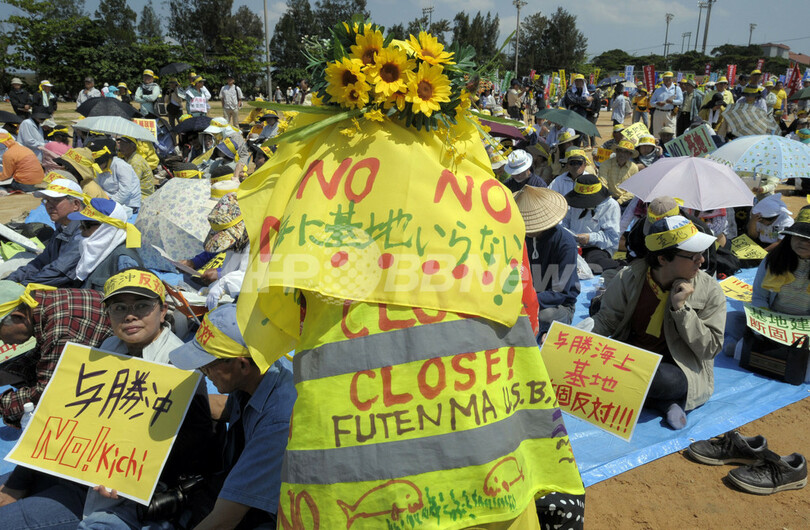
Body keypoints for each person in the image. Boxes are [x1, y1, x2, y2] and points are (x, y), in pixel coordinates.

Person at [76, 269, 224, 529]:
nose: (130, 315)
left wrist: (128, 477)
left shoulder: (179, 364)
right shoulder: (107, 348)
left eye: (142, 306)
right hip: (93, 480)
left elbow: (195, 444)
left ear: (163, 310)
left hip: (148, 495)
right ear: (108, 314)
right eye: (119, 307)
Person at [589, 215, 725, 429]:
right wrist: (580, 335)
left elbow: (711, 348)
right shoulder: (629, 278)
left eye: (702, 253)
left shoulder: (710, 290)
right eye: (693, 255)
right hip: (632, 358)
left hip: (677, 367)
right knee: (599, 361)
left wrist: (682, 310)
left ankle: (648, 395)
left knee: (664, 380)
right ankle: (664, 403)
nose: (702, 260)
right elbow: (607, 320)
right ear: (662, 259)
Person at [170, 304, 296, 529]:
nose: (203, 372)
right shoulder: (261, 368)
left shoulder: (279, 420)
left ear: (242, 365)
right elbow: (223, 407)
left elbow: (225, 519)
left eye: (207, 366)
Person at [0, 281, 112, 424]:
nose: (2, 342)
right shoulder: (47, 302)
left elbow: (48, 392)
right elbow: (44, 353)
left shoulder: (61, 329)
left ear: (19, 317)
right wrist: (9, 373)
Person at [517, 186, 580, 335]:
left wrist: (526, 299)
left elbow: (561, 292)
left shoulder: (565, 244)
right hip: (525, 296)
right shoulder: (522, 238)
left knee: (542, 316)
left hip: (557, 303)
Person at [8, 180, 84, 286]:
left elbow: (58, 272)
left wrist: (21, 285)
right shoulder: (61, 227)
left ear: (76, 204)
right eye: (47, 201)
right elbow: (40, 262)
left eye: (55, 201)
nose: (49, 206)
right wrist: (11, 280)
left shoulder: (83, 233)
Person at [67, 197, 143, 291]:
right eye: (81, 223)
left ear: (107, 228)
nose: (81, 228)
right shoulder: (96, 251)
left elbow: (130, 298)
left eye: (86, 224)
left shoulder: (124, 261)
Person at [562, 174, 621, 274]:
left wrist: (590, 237)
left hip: (598, 247)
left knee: (595, 265)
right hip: (573, 244)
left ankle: (619, 266)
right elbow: (565, 223)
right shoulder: (573, 204)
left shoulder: (610, 205)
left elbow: (612, 238)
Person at [203, 193, 249, 309]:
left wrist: (223, 284)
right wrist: (216, 283)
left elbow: (255, 277)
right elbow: (229, 270)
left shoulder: (262, 237)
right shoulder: (240, 241)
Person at [86, 138, 141, 212]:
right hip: (109, 200)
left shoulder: (121, 166)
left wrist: (110, 203)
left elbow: (126, 191)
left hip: (127, 204)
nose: (97, 166)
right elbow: (100, 187)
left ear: (105, 160)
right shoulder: (100, 168)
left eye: (99, 164)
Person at [599, 139, 639, 206]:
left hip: (626, 200)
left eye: (626, 152)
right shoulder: (605, 164)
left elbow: (633, 189)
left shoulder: (634, 168)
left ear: (630, 155)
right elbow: (603, 184)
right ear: (616, 152)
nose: (622, 154)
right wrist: (610, 200)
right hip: (608, 199)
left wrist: (620, 201)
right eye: (620, 151)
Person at [650, 72, 683, 136]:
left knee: (671, 131)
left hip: (670, 113)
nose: (667, 80)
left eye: (669, 78)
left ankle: (671, 145)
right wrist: (657, 103)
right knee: (657, 131)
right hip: (658, 112)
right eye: (665, 78)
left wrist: (672, 102)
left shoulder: (677, 89)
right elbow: (651, 103)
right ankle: (658, 145)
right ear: (663, 79)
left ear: (672, 79)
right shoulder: (658, 90)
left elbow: (680, 101)